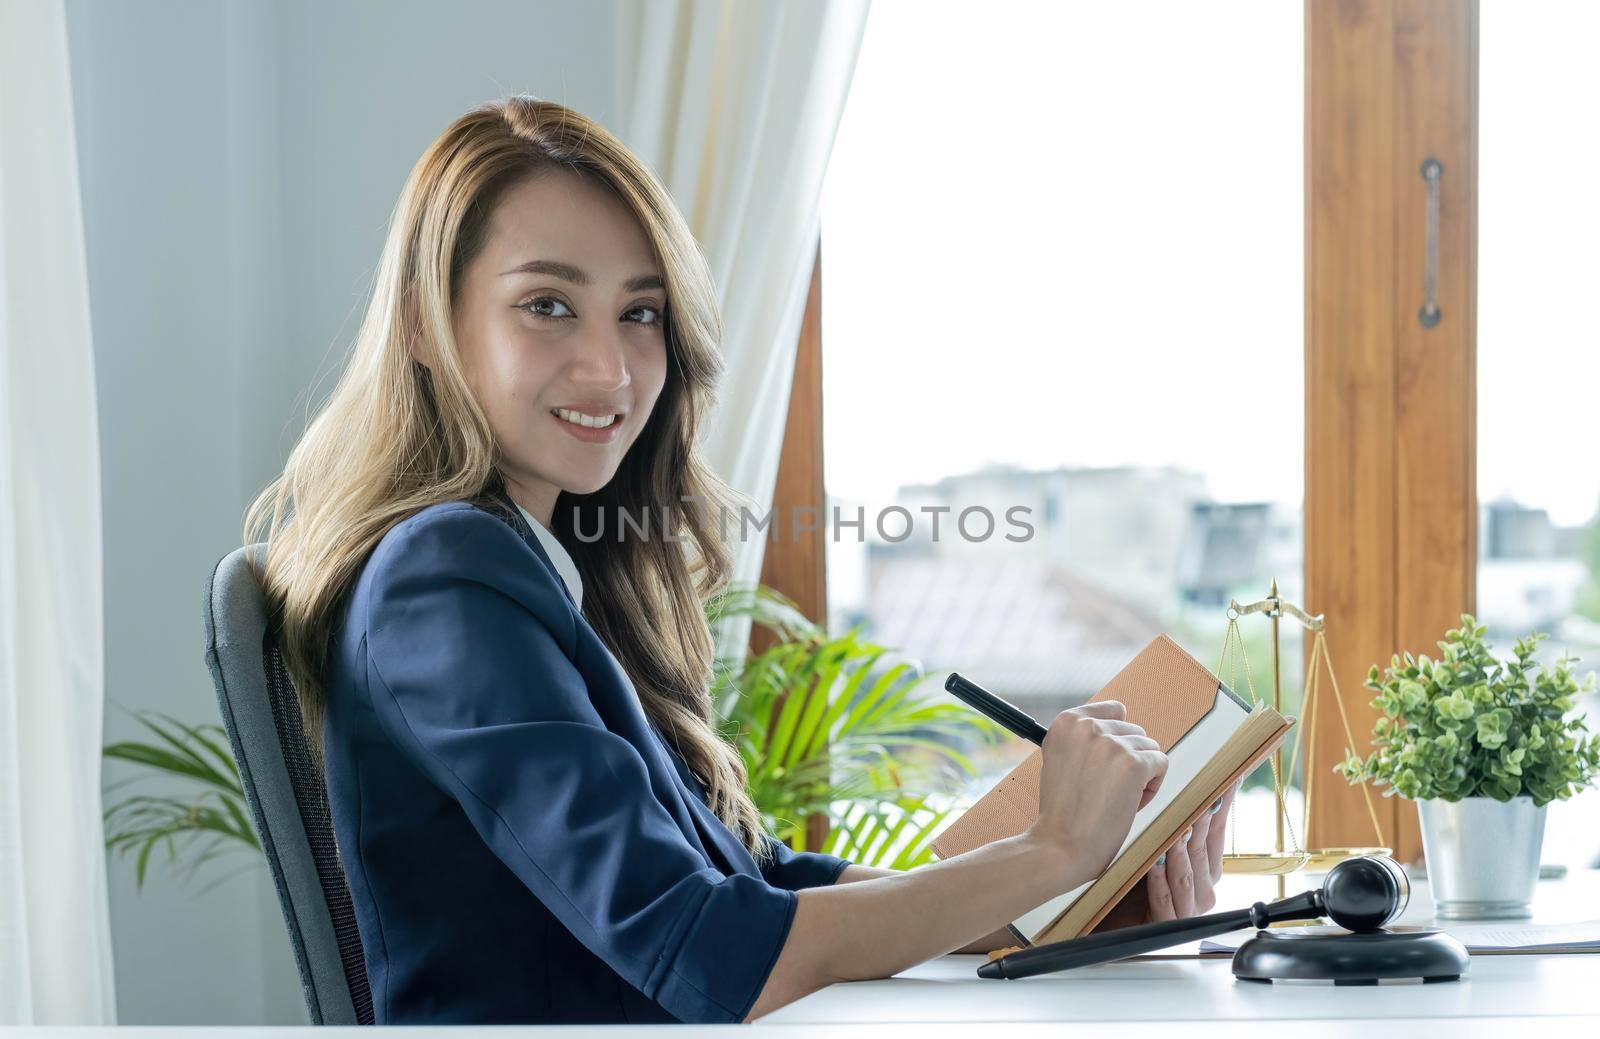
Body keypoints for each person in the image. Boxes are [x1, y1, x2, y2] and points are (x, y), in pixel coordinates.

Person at [243, 95, 1239, 1026]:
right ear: (425, 323)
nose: (610, 366)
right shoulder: (444, 577)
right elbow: (717, 951)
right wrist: (1050, 848)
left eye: (639, 313)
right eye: (547, 305)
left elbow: (758, 881)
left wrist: (1078, 882)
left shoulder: (538, 561)